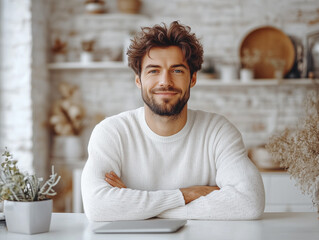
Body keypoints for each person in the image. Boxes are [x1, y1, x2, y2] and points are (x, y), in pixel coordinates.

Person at [81, 21, 265, 221]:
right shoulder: (112, 132)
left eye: (177, 71)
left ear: (192, 78)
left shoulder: (217, 131)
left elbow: (249, 202)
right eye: (153, 71)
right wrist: (185, 195)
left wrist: (139, 207)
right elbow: (97, 207)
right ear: (138, 80)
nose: (165, 81)